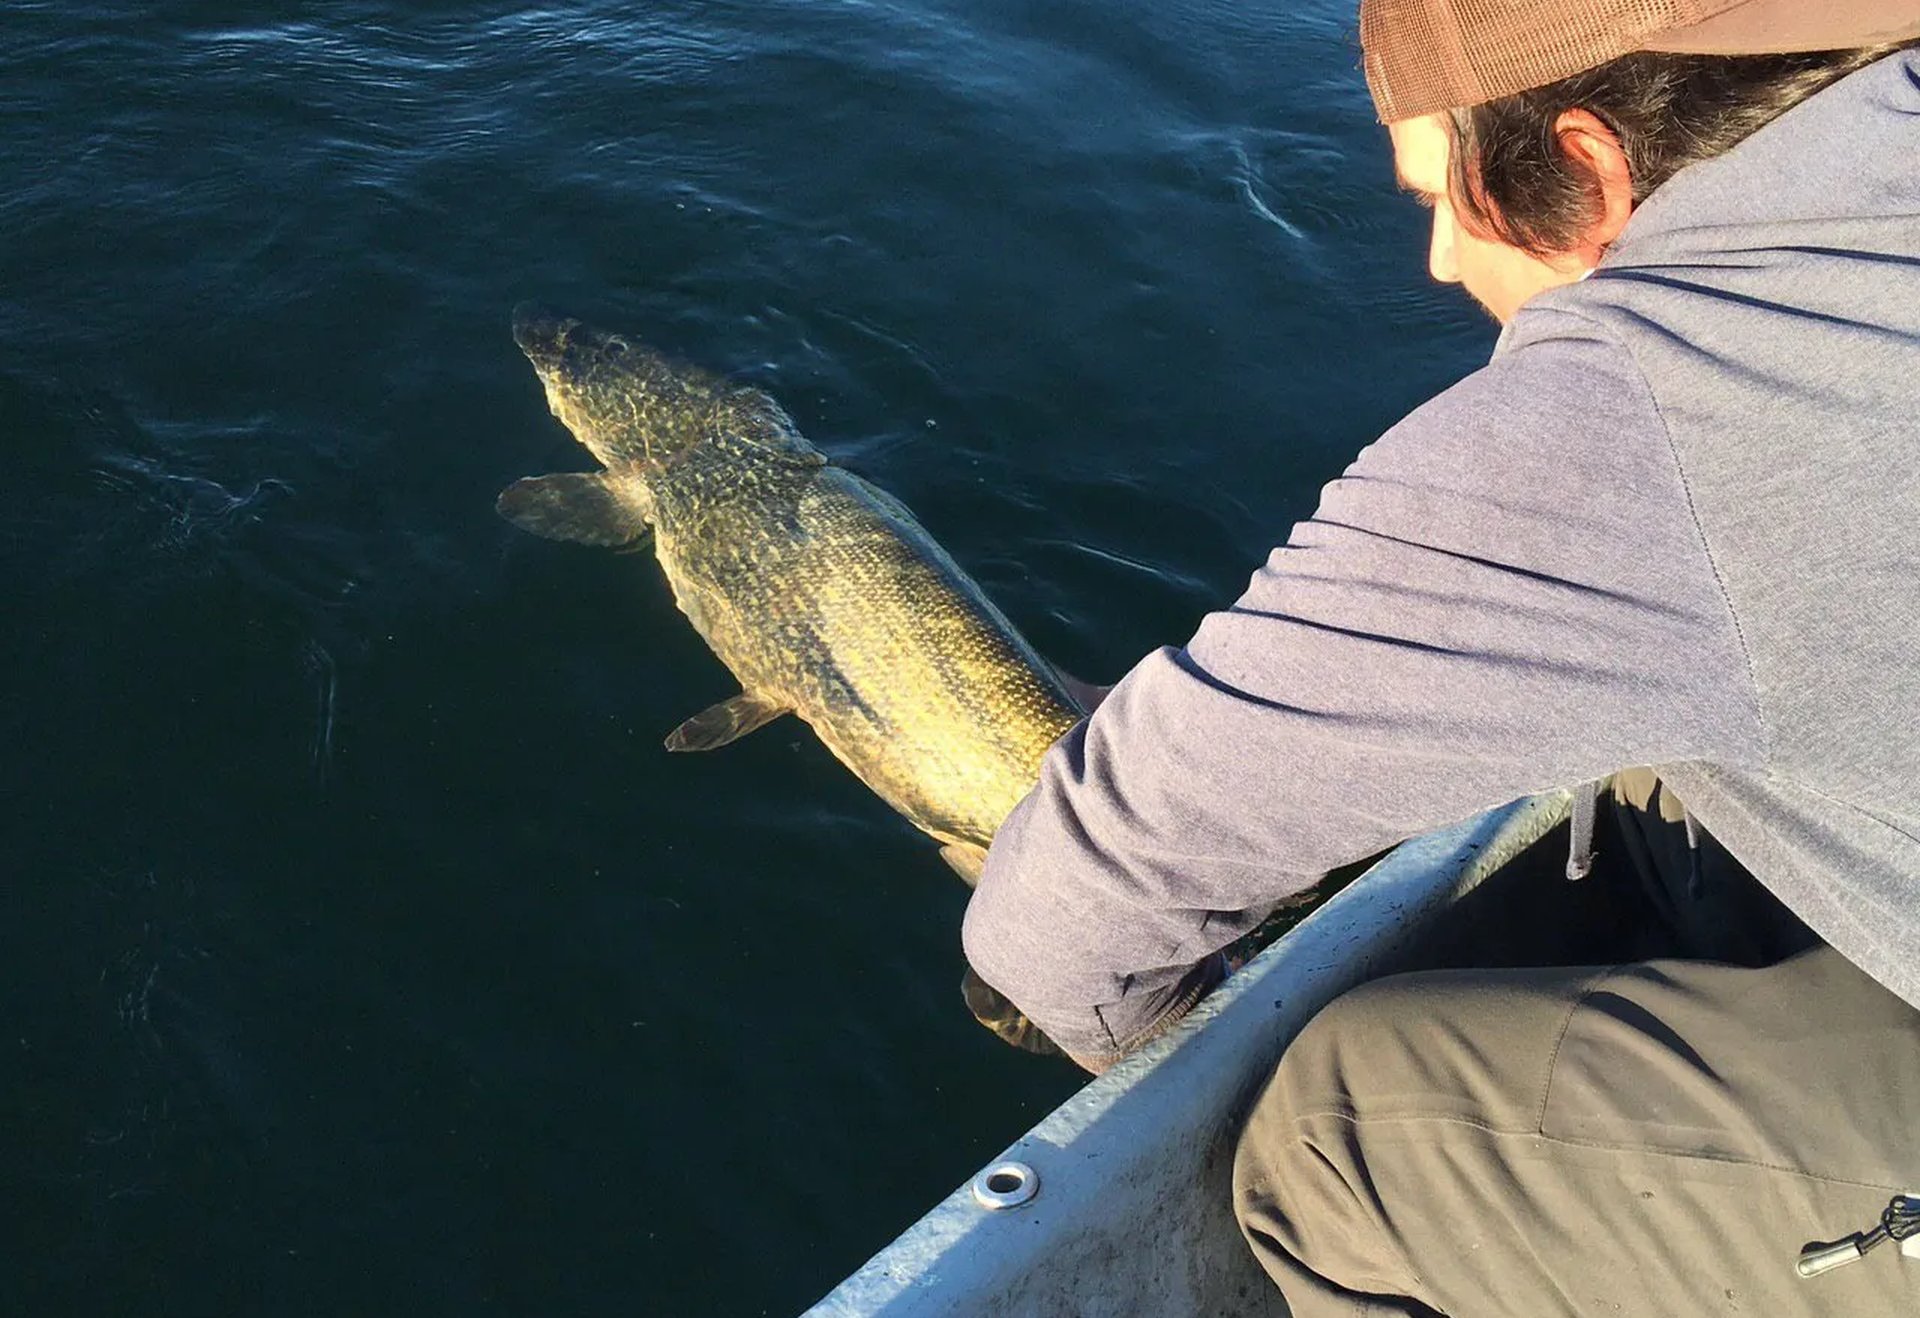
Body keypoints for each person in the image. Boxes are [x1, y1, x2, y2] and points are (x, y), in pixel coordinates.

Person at [961, 1, 1920, 1313]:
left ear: (1588, 163)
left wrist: (1156, 1039)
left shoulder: (1654, 407)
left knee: (1334, 1142)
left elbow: (1067, 908)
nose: (1439, 257)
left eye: (1442, 198)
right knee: (1662, 776)